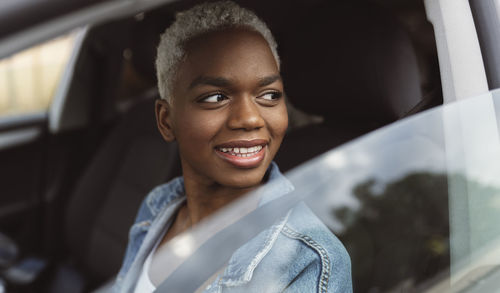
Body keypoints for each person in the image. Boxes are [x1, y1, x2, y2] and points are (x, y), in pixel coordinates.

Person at [113, 1, 352, 292]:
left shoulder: (308, 262)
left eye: (269, 94)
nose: (250, 118)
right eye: (215, 98)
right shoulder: (157, 207)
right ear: (166, 121)